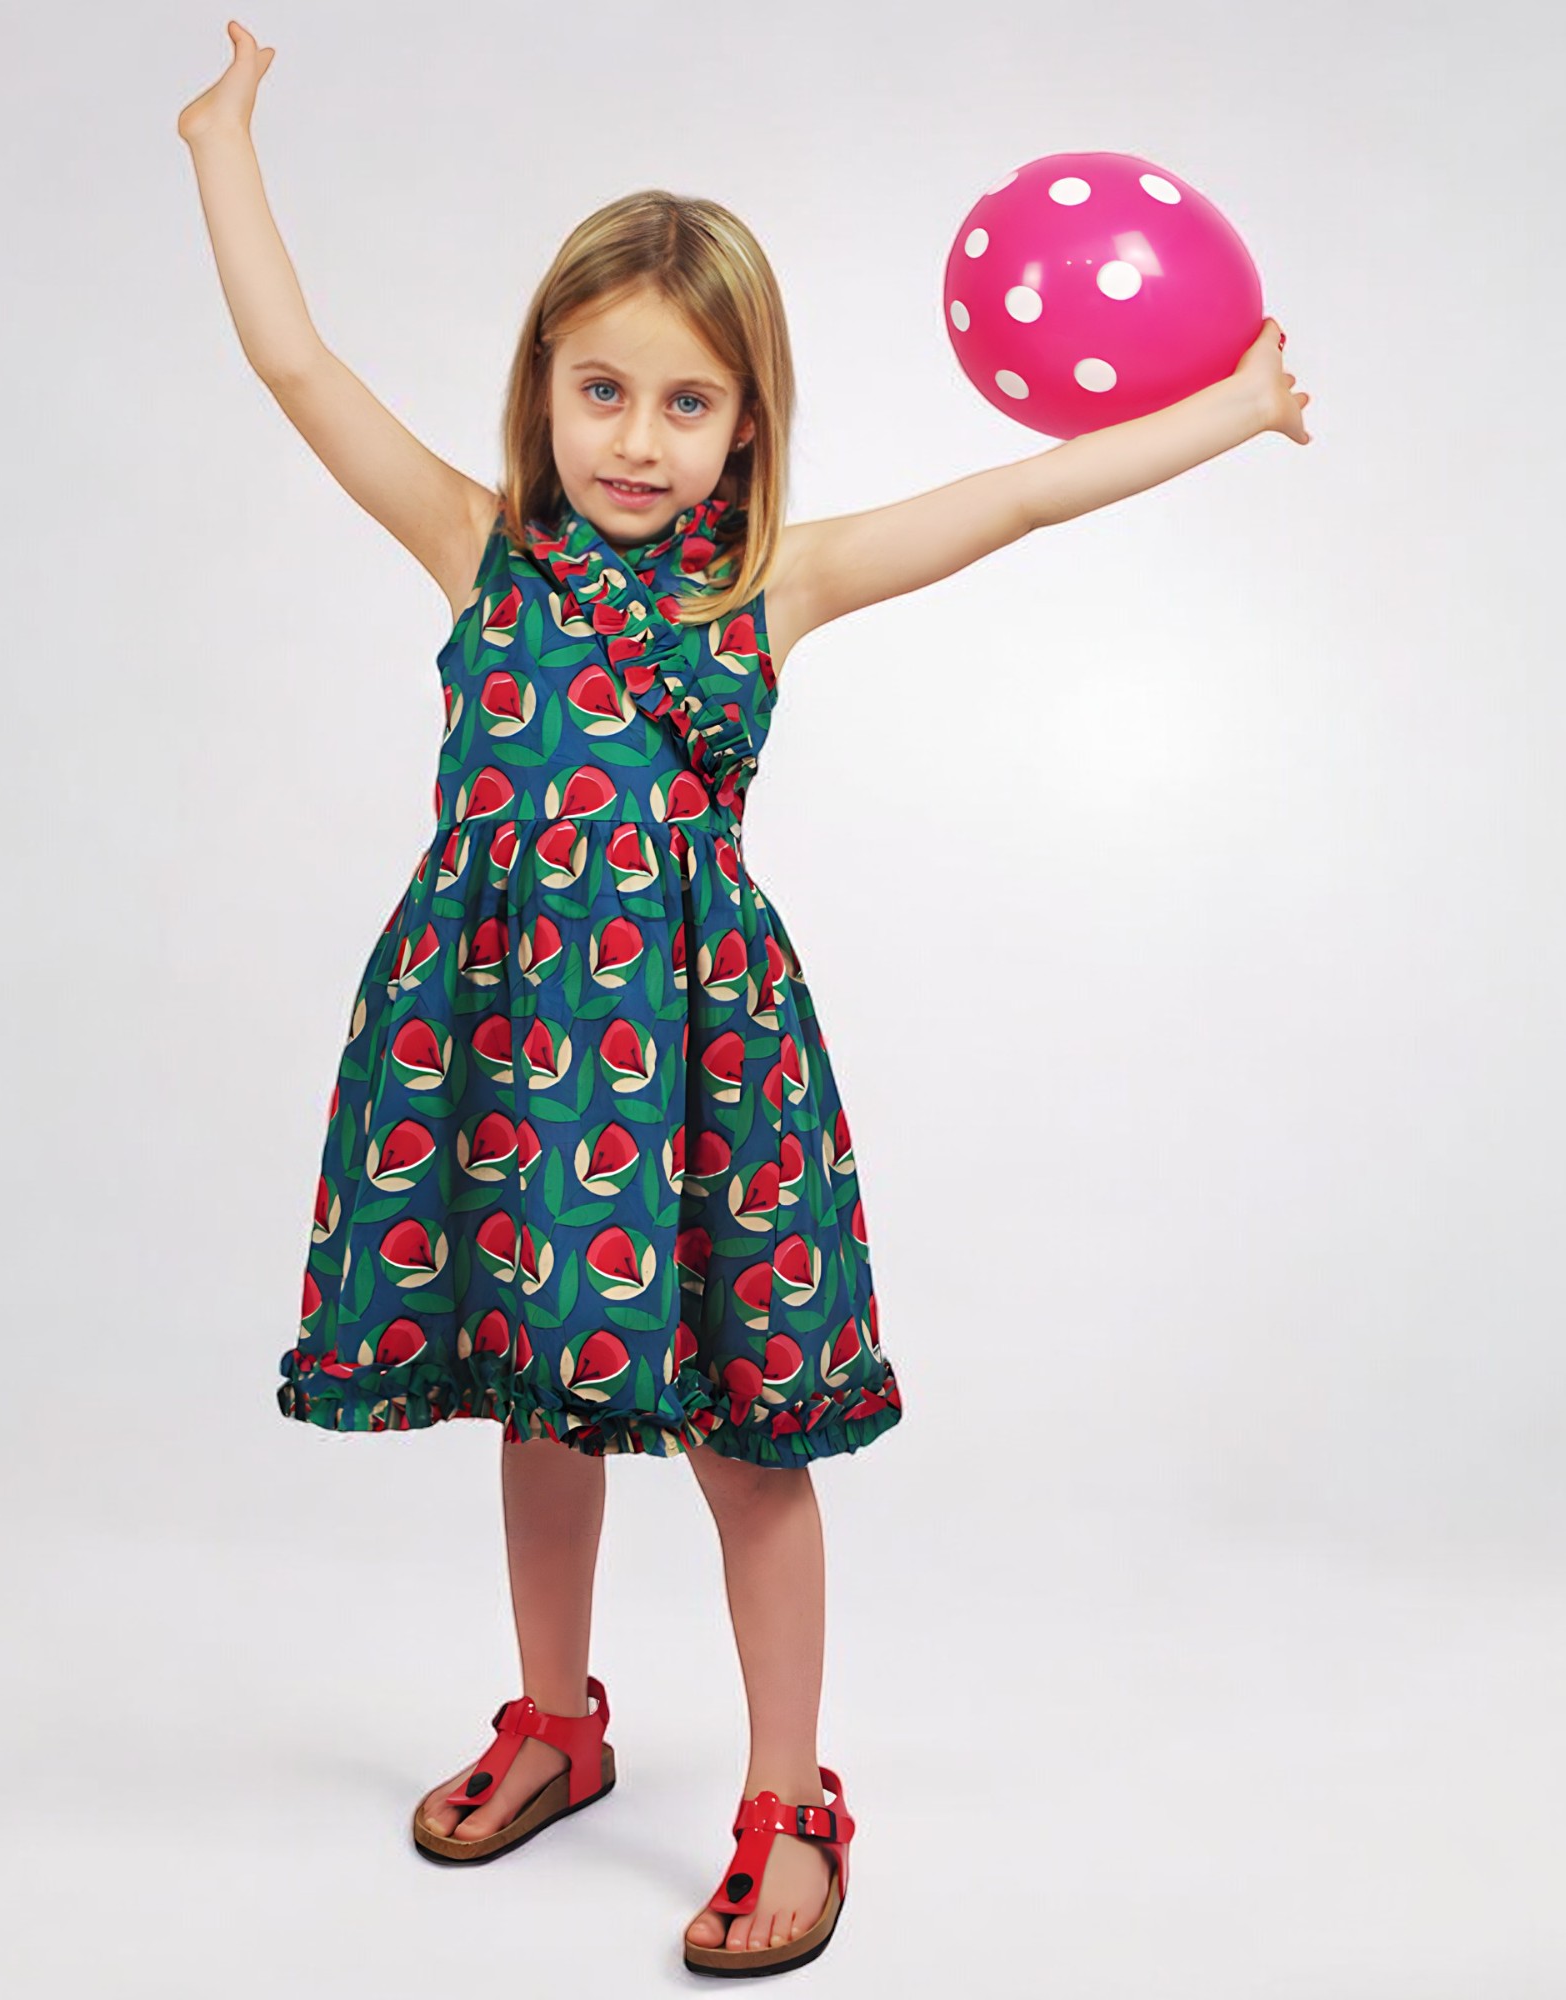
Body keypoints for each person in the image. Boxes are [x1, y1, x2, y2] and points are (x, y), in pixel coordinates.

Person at [178, 20, 1311, 1979]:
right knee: (536, 1398)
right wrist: (222, 141)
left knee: (740, 1429)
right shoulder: (476, 550)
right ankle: (556, 1720)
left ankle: (789, 1790)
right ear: (542, 386)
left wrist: (1228, 408)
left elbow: (1016, 500)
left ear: (746, 425)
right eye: (601, 388)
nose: (636, 437)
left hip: (693, 1065)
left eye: (685, 401)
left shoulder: (764, 588)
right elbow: (296, 365)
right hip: (496, 1044)